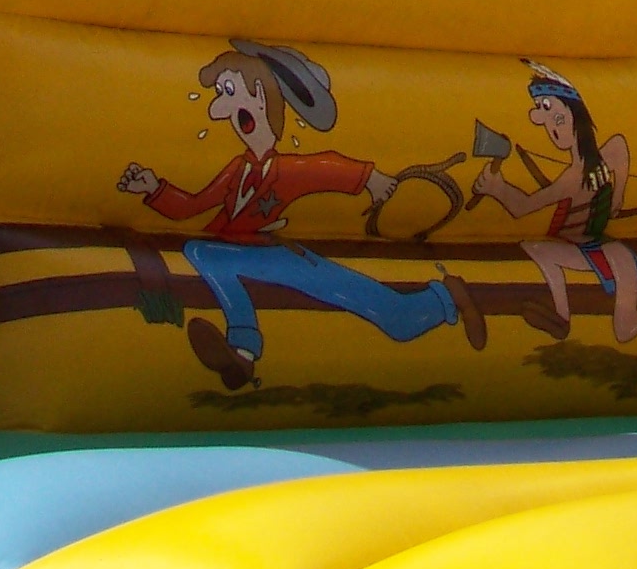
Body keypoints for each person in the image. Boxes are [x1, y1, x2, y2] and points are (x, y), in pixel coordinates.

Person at [119, 37, 486, 391]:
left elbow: (325, 167)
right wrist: (153, 188)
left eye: (228, 92)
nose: (219, 108)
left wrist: (370, 178)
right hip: (251, 255)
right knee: (202, 252)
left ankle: (447, 296)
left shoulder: (285, 169)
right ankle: (243, 351)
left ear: (261, 96)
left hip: (282, 257)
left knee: (396, 321)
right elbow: (194, 206)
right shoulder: (239, 169)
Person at [470, 65, 637, 351]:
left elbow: (523, 207)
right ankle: (561, 315)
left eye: (559, 120)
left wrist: (496, 188)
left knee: (624, 331)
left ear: (577, 117)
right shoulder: (591, 162)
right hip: (585, 249)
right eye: (550, 125)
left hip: (608, 251)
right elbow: (621, 149)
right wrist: (618, 195)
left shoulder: (576, 175)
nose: (554, 131)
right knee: (535, 247)